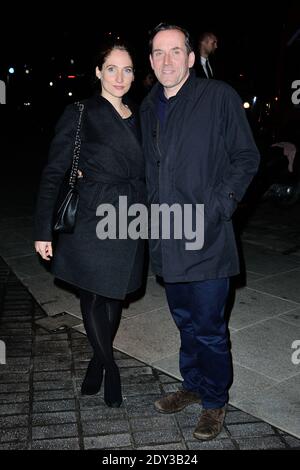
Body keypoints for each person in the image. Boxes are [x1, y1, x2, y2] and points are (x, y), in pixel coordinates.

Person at [140, 23, 260, 440]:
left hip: (207, 238)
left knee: (210, 328)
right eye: (158, 53)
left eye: (175, 52)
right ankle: (192, 385)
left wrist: (221, 206)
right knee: (185, 322)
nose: (166, 61)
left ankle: (214, 402)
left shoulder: (218, 97)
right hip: (167, 240)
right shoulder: (148, 105)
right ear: (151, 60)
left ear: (191, 58)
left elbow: (246, 156)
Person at [34, 39, 146, 408]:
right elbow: (53, 172)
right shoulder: (81, 111)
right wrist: (42, 229)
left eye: (127, 69)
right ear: (98, 72)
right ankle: (110, 366)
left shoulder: (140, 115)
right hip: (92, 215)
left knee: (113, 295)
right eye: (111, 68)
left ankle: (97, 360)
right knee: (93, 294)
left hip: (129, 217)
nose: (119, 76)